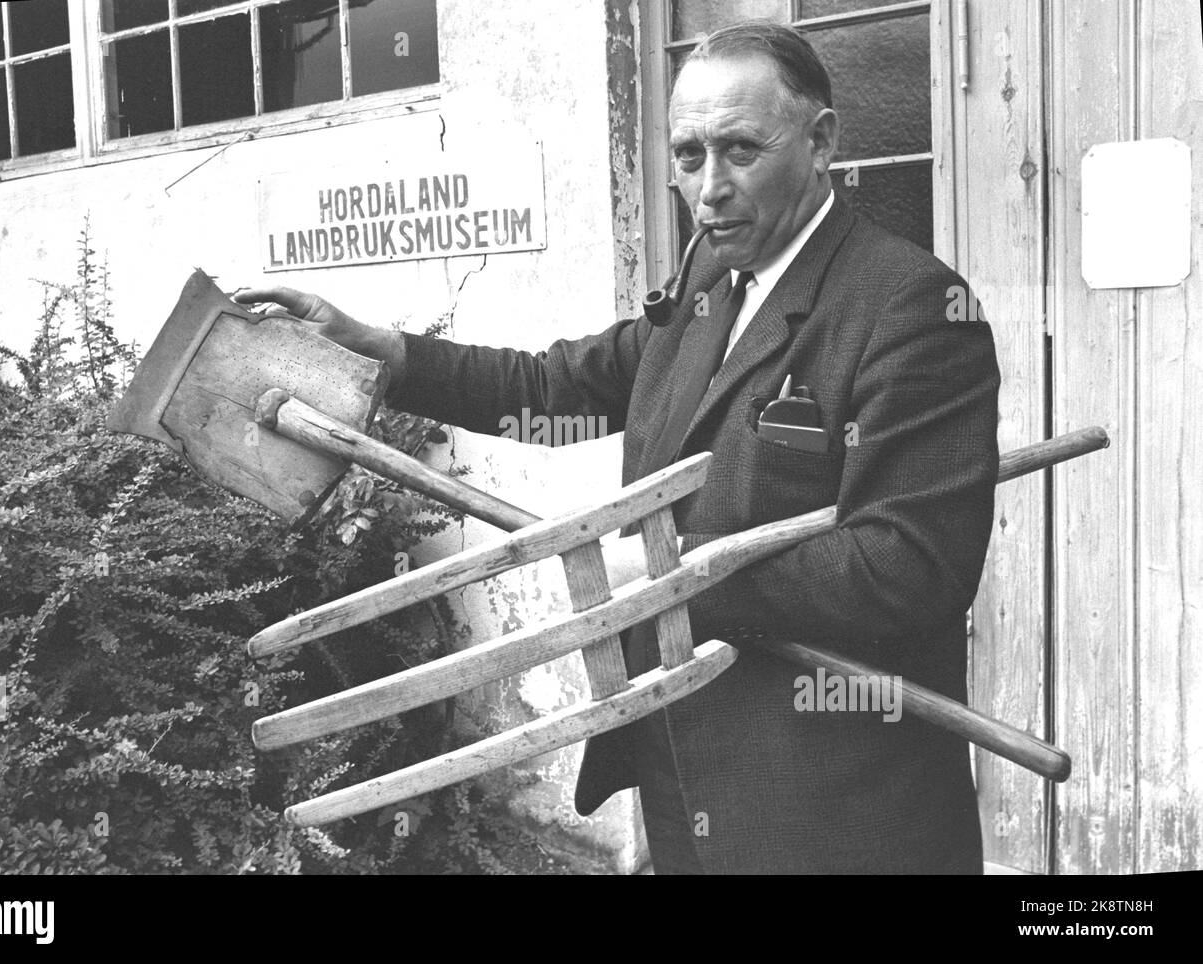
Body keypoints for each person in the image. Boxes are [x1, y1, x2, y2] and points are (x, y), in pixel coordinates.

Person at [236, 20, 1001, 874]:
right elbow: (553, 389)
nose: (709, 189)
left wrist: (668, 575)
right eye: (687, 156)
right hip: (685, 778)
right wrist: (384, 351)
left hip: (833, 809)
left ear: (821, 141)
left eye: (741, 150)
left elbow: (910, 566)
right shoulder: (713, 280)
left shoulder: (911, 308)